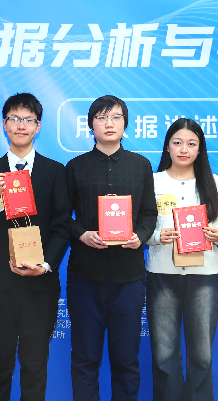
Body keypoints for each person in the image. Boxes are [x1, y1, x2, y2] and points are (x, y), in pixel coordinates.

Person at [0, 93, 73, 401]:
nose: (21, 126)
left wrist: (45, 265)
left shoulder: (55, 171)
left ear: (38, 126)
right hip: (0, 283)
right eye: (14, 119)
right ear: (5, 124)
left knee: (34, 365)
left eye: (28, 120)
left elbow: (62, 226)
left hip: (40, 284)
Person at [64, 95, 156, 401]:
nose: (109, 123)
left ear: (125, 124)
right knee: (85, 359)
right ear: (90, 125)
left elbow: (149, 213)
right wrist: (82, 234)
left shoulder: (140, 165)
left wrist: (140, 236)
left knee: (126, 361)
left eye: (116, 117)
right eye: (101, 117)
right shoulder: (75, 167)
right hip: (85, 276)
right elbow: (61, 217)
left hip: (129, 277)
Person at [146, 118, 218, 401]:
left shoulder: (214, 183)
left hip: (203, 276)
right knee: (164, 354)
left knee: (202, 355)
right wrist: (157, 236)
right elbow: (140, 230)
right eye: (177, 143)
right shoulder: (152, 181)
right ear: (167, 147)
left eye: (191, 144)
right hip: (162, 275)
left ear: (200, 149)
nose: (184, 149)